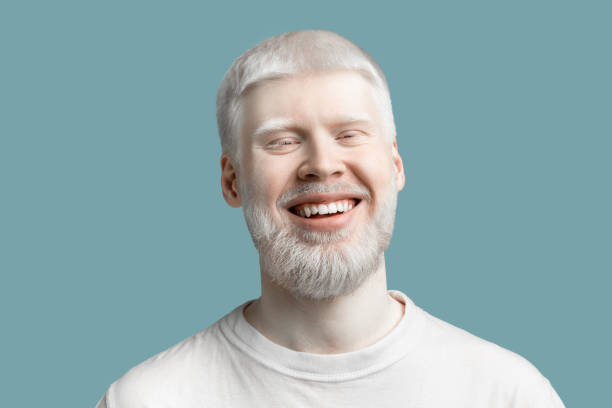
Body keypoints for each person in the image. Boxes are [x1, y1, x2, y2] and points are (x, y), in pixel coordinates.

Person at [95, 30, 565, 407]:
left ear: (396, 165)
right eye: (281, 141)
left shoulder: (507, 394)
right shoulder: (149, 399)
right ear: (232, 180)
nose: (322, 163)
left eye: (350, 134)